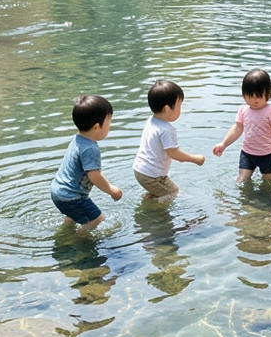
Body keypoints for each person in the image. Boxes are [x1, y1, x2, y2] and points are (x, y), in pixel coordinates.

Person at [50, 95, 122, 233]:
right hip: (71, 197)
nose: (109, 126)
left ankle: (65, 231)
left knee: (73, 214)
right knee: (96, 219)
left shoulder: (77, 139)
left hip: (57, 192)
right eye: (109, 122)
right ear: (96, 127)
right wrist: (111, 190)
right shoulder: (91, 148)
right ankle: (78, 241)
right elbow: (94, 176)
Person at [132, 79, 206, 201]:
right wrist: (194, 159)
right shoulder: (166, 129)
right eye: (179, 105)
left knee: (160, 191)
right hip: (153, 175)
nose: (180, 109)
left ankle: (148, 200)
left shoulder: (151, 121)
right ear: (167, 108)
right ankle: (153, 210)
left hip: (139, 170)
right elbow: (174, 153)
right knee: (172, 192)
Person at [213, 69, 271, 183]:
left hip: (267, 153)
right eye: (249, 96)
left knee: (268, 180)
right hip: (247, 152)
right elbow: (237, 128)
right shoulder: (243, 109)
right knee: (242, 180)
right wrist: (223, 144)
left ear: (268, 94)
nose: (253, 100)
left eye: (258, 97)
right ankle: (246, 200)